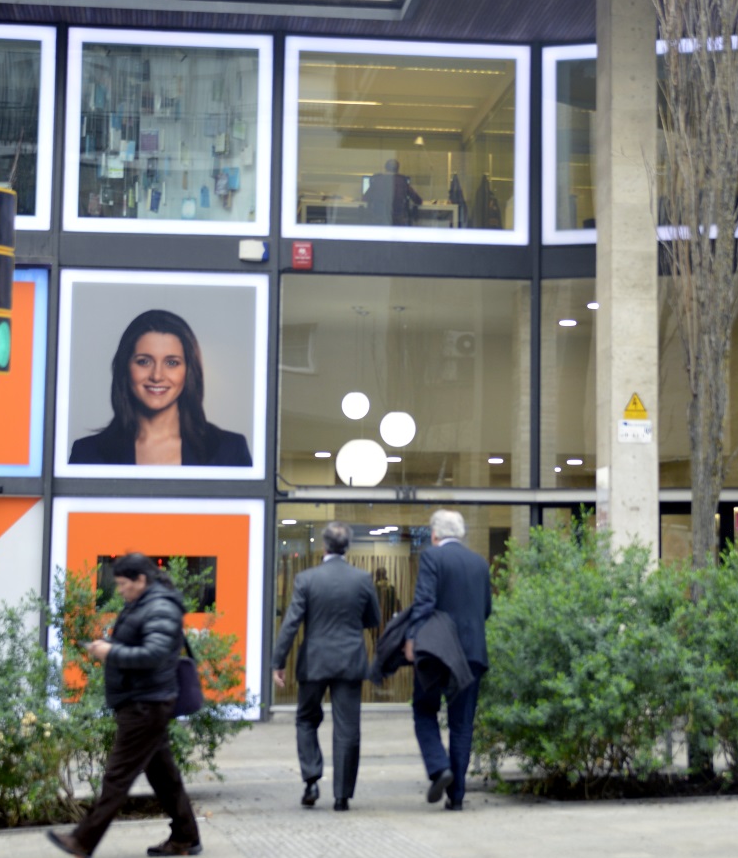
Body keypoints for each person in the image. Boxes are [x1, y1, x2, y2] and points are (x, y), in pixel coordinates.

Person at [47, 553, 202, 858]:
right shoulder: (144, 602)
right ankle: (185, 836)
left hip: (146, 703)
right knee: (164, 776)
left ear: (140, 580)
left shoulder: (160, 606)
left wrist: (110, 652)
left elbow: (154, 654)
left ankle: (82, 841)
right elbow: (138, 643)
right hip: (143, 699)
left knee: (118, 776)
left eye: (122, 584)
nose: (119, 590)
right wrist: (108, 644)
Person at [272, 522, 381, 811]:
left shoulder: (306, 579)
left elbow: (291, 623)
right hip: (349, 661)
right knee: (347, 727)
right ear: (347, 548)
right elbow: (373, 619)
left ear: (324, 546)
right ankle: (342, 796)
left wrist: (278, 661)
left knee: (306, 719)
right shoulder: (362, 579)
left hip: (315, 661)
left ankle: (311, 780)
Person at [70, 309, 253, 467]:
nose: (157, 376)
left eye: (172, 362)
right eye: (144, 361)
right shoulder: (87, 453)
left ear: (189, 371)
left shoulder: (230, 450)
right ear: (125, 367)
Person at [404, 510, 492, 810]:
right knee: (462, 723)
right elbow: (486, 609)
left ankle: (440, 767)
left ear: (434, 535)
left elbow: (424, 602)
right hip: (472, 654)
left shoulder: (432, 557)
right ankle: (456, 797)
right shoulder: (479, 563)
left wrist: (412, 638)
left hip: (437, 652)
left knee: (424, 710)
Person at [364, 158, 422, 227]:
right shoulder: (402, 180)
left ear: (385, 168)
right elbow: (418, 200)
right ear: (398, 169)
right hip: (397, 219)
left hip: (378, 218)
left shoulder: (377, 180)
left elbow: (365, 198)